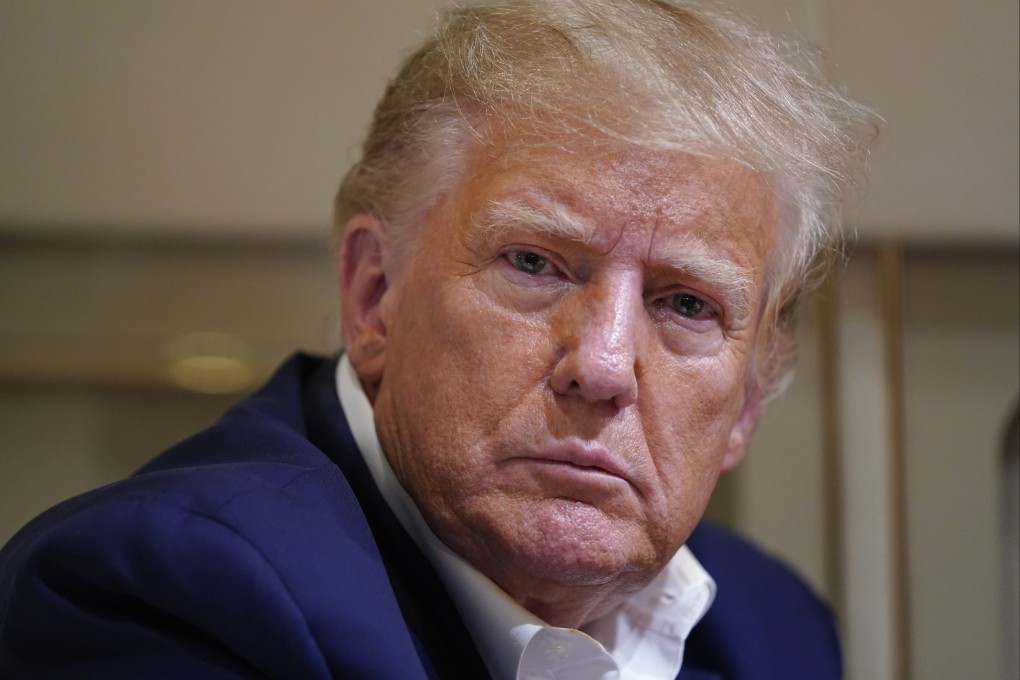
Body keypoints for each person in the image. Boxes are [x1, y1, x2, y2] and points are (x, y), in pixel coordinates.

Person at [0, 0, 877, 678]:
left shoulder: (777, 627)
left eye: (687, 305)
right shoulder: (161, 596)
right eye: (534, 262)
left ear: (747, 406)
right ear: (374, 295)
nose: (604, 366)